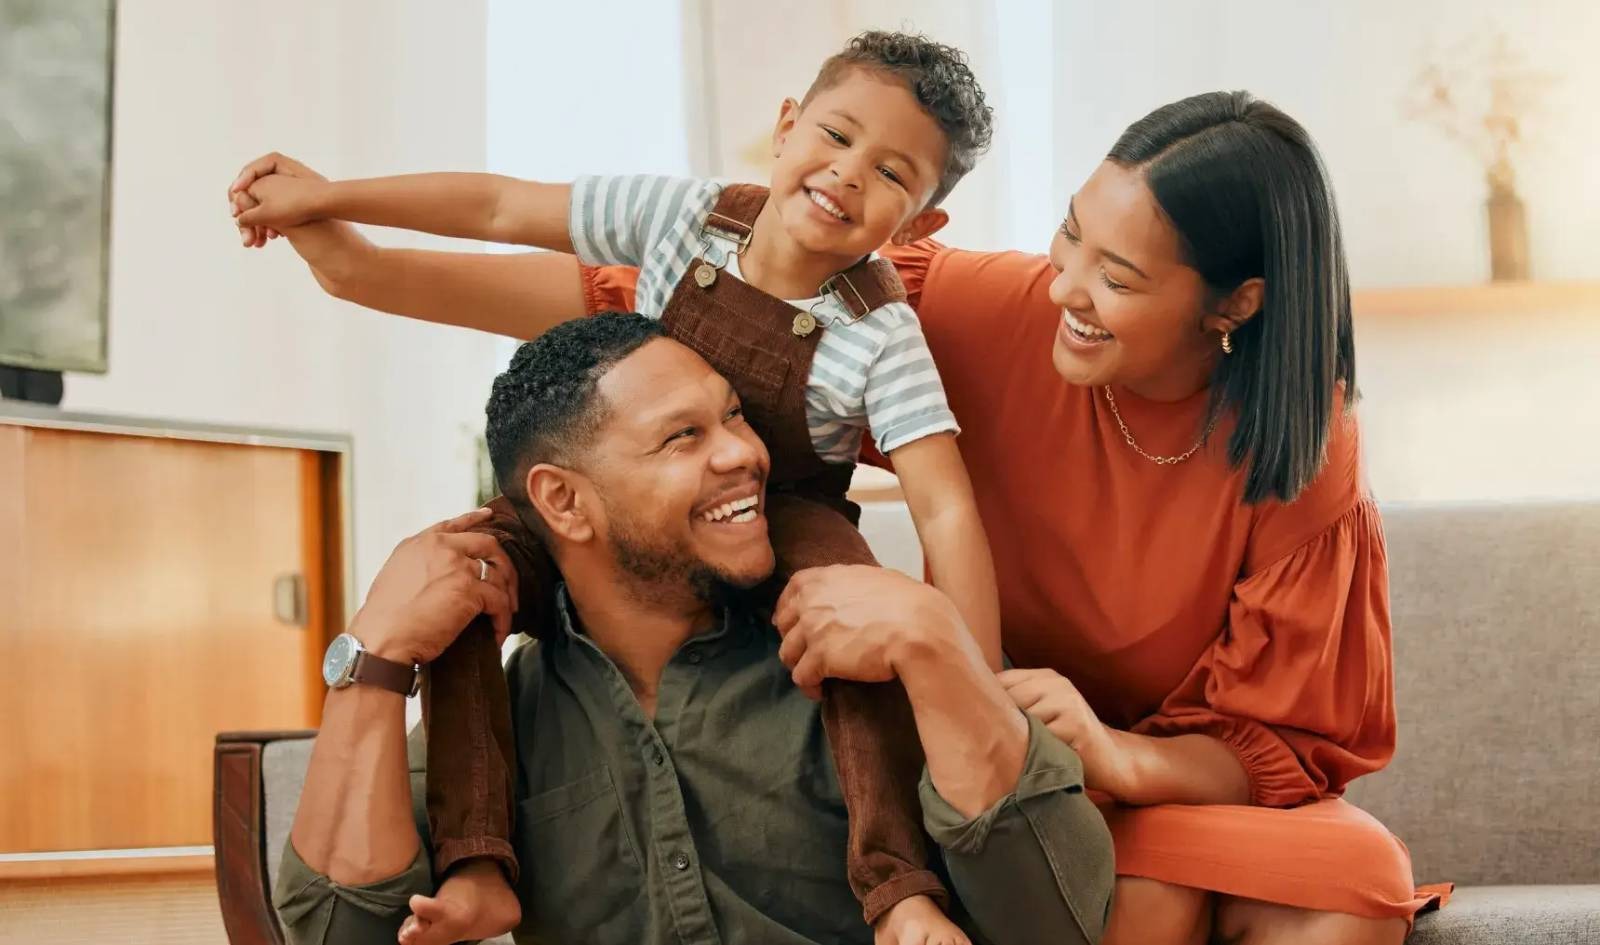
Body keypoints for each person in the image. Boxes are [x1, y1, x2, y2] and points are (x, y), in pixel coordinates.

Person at [245, 91, 1453, 940]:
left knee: (1347, 878)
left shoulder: (1302, 451)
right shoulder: (976, 310)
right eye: (1069, 238)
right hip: (986, 758)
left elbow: (1287, 744)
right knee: (1142, 903)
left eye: (1120, 280)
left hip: (1123, 768)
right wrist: (349, 259)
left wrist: (1101, 747)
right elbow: (666, 316)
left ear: (1234, 303)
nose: (1068, 294)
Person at [229, 31, 999, 945]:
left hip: (784, 510)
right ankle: (477, 859)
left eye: (891, 175)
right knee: (461, 575)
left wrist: (975, 673)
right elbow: (498, 205)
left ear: (916, 225)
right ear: (788, 125)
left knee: (862, 636)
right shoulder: (685, 216)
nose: (846, 174)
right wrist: (330, 196)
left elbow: (945, 507)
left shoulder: (881, 334)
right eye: (835, 136)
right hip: (622, 479)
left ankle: (898, 883)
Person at [273, 313, 1114, 945]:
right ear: (563, 500)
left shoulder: (876, 653)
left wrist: (936, 641)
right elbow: (334, 932)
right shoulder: (499, 725)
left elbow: (1058, 920)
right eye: (683, 437)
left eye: (734, 415)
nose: (743, 453)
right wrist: (372, 658)